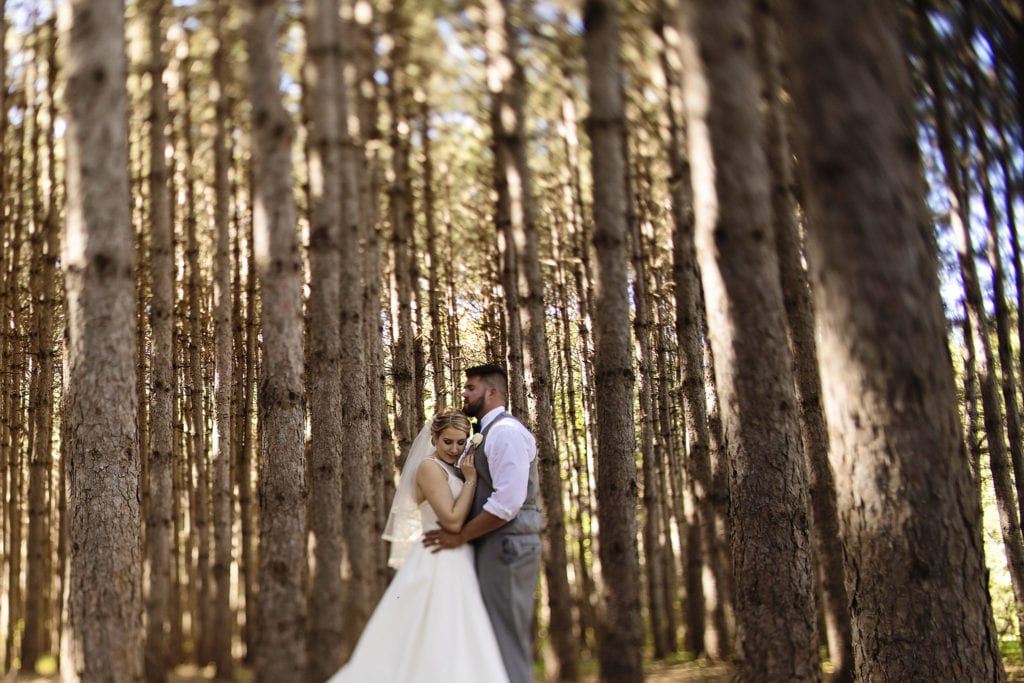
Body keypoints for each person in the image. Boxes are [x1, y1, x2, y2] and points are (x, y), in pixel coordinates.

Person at [326, 409, 510, 683]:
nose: (454, 448)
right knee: (434, 631)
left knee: (459, 635)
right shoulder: (429, 468)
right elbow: (451, 521)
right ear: (434, 437)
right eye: (447, 441)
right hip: (438, 558)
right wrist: (471, 480)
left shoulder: (453, 468)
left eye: (461, 442)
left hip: (459, 560)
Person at [423, 364, 543, 683]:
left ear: (491, 392)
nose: (464, 393)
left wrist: (460, 536)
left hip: (509, 546)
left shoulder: (505, 432)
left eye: (471, 388)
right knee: (491, 638)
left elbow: (508, 502)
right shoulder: (485, 434)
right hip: (496, 546)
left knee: (506, 639)